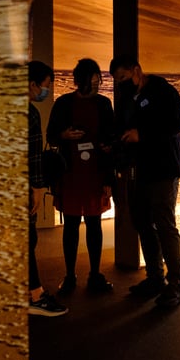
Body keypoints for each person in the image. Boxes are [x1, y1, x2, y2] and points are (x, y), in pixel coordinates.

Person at [109, 54, 180, 308]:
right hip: (138, 171)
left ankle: (176, 285)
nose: (121, 83)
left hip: (164, 170)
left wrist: (141, 135)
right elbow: (123, 127)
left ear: (136, 70)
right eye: (117, 80)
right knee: (142, 222)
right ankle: (155, 277)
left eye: (123, 77)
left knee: (165, 225)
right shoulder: (127, 98)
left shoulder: (164, 92)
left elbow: (177, 124)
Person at [46, 58, 116, 295]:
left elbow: (111, 140)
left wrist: (109, 179)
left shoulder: (104, 104)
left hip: (96, 172)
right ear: (79, 81)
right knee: (71, 225)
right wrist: (64, 135)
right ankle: (70, 275)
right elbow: (51, 136)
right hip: (70, 172)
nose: (95, 86)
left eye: (97, 81)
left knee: (95, 224)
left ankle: (95, 274)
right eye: (91, 82)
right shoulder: (63, 103)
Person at [27, 60, 68, 317]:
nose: (47, 91)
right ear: (32, 84)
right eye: (45, 85)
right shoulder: (29, 113)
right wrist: (38, 187)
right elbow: (33, 156)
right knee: (27, 239)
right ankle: (35, 296)